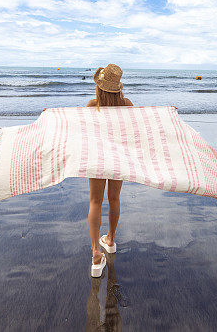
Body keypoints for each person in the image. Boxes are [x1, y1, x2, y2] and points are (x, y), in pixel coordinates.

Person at [86, 64, 133, 278]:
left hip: (97, 157)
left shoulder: (92, 105)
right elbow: (141, 127)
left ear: (100, 87)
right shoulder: (127, 105)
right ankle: (111, 239)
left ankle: (96, 252)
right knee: (114, 199)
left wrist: (52, 117)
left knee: (95, 201)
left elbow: (78, 129)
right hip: (118, 158)